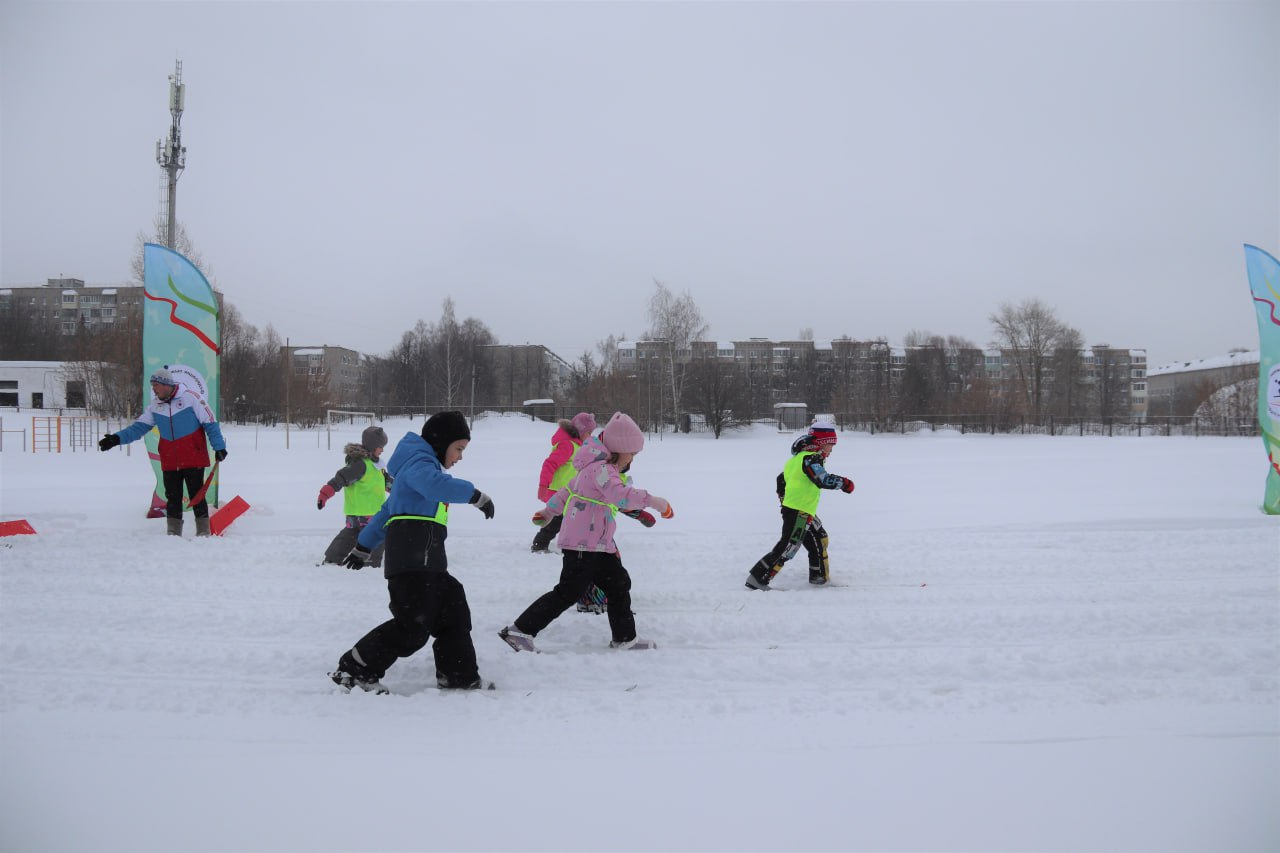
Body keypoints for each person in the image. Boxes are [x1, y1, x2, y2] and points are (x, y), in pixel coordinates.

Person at [329, 411, 497, 694]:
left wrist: (363, 546)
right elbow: (435, 485)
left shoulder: (415, 468)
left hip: (428, 562)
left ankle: (457, 673)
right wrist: (475, 495)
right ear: (440, 442)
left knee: (452, 610)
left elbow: (385, 513)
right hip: (413, 561)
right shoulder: (420, 466)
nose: (459, 457)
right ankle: (355, 667)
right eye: (458, 449)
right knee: (412, 626)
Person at [499, 411, 673, 653]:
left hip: (599, 543)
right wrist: (655, 502)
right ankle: (520, 630)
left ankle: (625, 638)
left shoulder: (595, 469)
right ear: (619, 448)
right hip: (583, 543)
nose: (632, 459)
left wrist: (549, 512)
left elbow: (566, 492)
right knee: (568, 591)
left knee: (618, 583)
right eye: (632, 453)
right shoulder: (601, 470)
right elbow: (621, 497)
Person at [98, 367, 227, 537]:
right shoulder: (155, 406)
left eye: (156, 385)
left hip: (193, 457)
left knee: (197, 495)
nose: (154, 389)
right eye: (152, 385)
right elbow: (138, 428)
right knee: (172, 497)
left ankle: (203, 533)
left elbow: (210, 422)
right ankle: (173, 534)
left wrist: (219, 447)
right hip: (169, 459)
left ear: (167, 385)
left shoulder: (191, 398)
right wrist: (116, 439)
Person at [744, 421, 854, 590]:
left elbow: (781, 479)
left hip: (802, 510)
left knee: (819, 539)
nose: (831, 450)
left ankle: (819, 578)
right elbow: (821, 479)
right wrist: (844, 483)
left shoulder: (797, 458)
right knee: (789, 546)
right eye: (831, 445)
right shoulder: (810, 458)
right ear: (821, 442)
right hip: (798, 512)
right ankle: (758, 578)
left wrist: (784, 500)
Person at [317, 425, 392, 568]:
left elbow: (387, 483)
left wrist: (401, 491)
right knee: (375, 537)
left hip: (357, 514)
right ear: (372, 446)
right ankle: (370, 563)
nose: (382, 449)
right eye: (380, 446)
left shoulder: (376, 466)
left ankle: (332, 559)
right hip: (369, 514)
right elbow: (341, 478)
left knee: (348, 537)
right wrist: (325, 493)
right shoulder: (361, 465)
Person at [530, 411, 597, 553]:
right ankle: (539, 544)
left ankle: (575, 543)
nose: (590, 436)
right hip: (557, 491)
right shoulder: (568, 446)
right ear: (580, 431)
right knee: (556, 520)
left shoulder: (578, 446)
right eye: (589, 432)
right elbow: (549, 464)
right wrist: (543, 485)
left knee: (573, 517)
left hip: (570, 492)